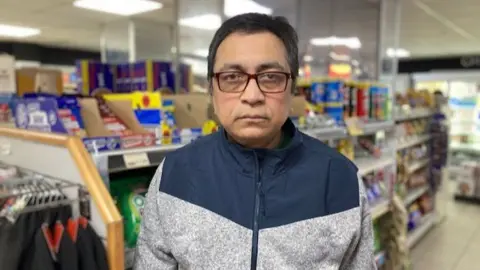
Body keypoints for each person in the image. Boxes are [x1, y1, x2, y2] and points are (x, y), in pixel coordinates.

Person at [134, 13, 376, 270]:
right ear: (211, 89)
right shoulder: (175, 175)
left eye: (271, 77)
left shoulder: (340, 180)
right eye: (232, 77)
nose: (252, 95)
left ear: (292, 87)